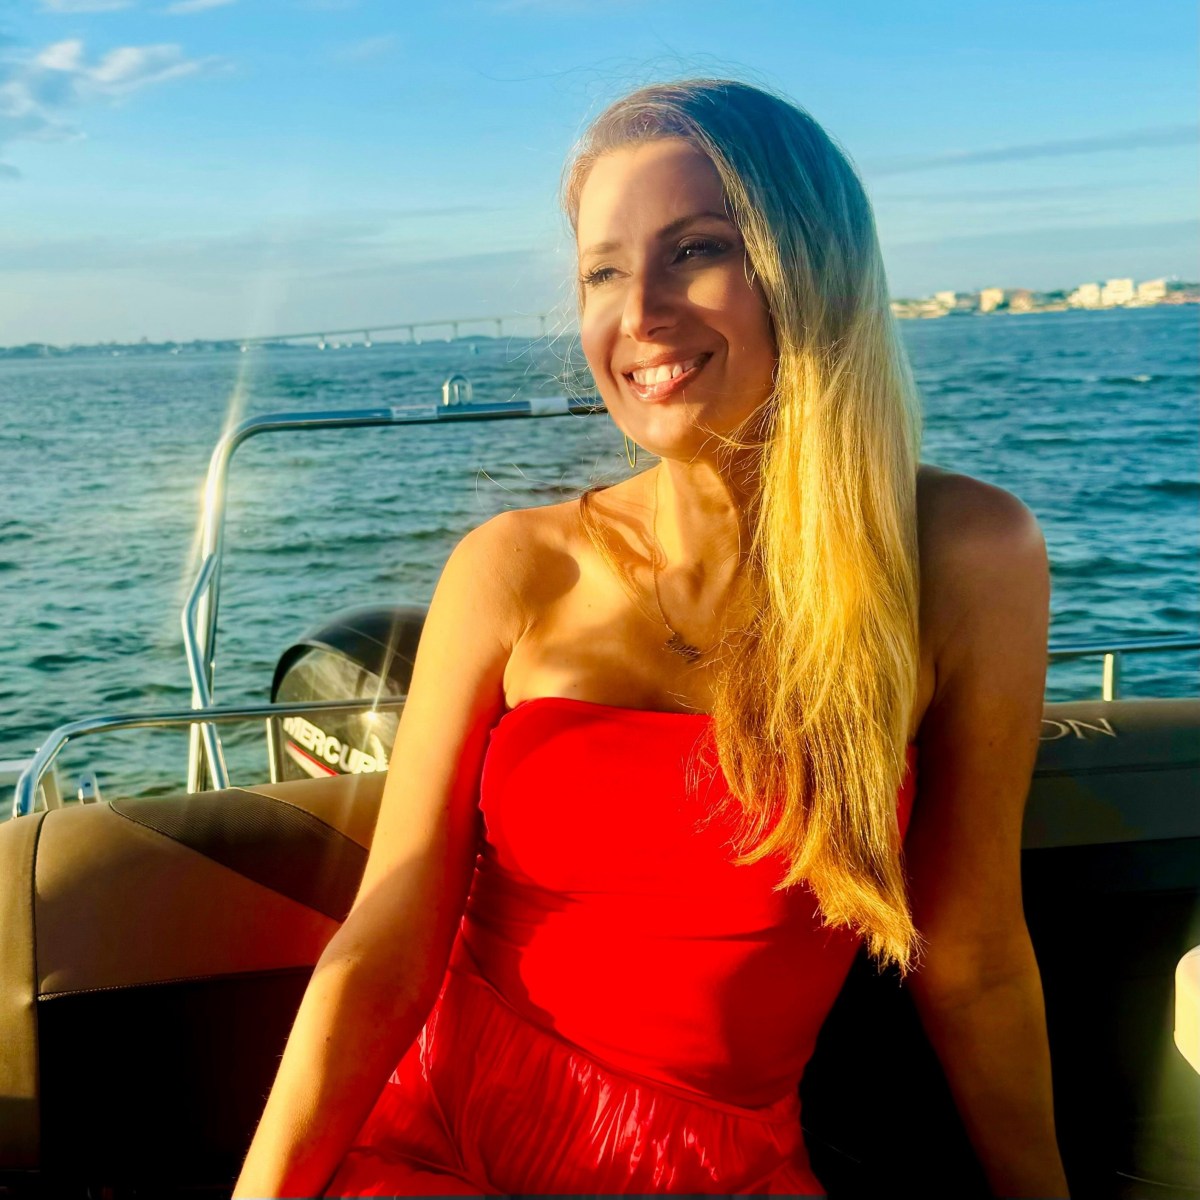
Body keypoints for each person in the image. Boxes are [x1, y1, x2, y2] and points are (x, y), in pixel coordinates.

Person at [233, 79, 1069, 1198]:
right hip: (440, 1148)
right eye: (604, 271)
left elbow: (971, 959)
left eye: (696, 251)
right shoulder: (515, 569)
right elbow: (384, 949)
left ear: (810, 268)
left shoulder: (965, 557)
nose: (639, 315)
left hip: (717, 1167)